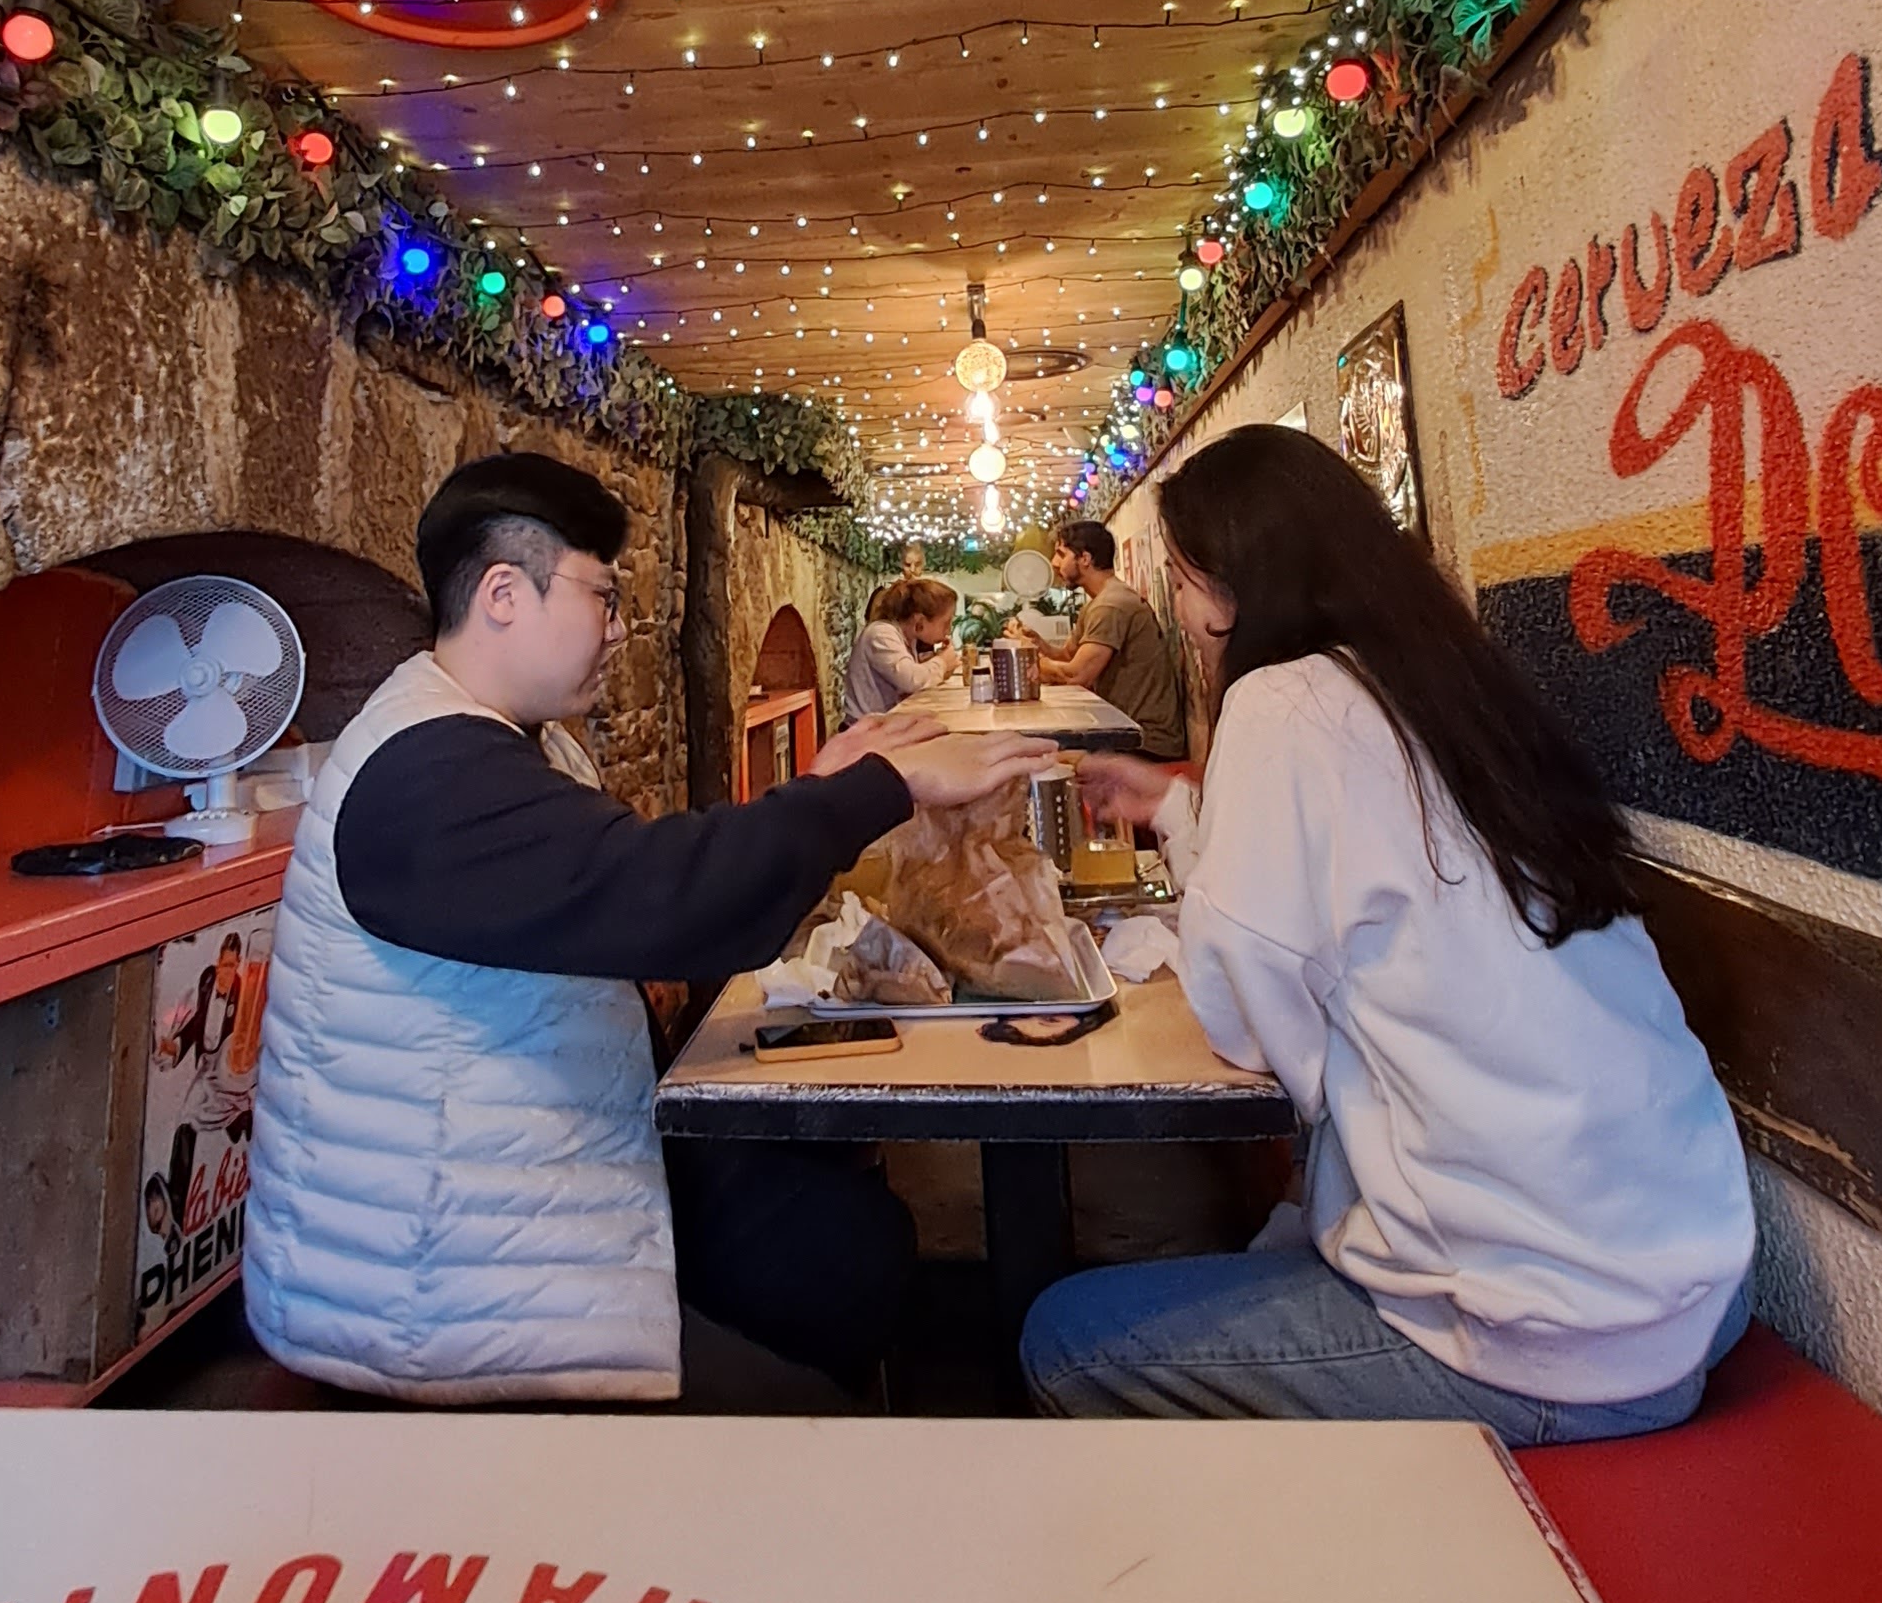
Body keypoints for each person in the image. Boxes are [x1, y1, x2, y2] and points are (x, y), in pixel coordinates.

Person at [246, 451, 1047, 1410]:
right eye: (603, 596)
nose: (620, 627)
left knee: (843, 1245)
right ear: (504, 594)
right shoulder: (424, 775)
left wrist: (826, 791)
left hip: (524, 1185)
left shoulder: (498, 740)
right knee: (806, 1403)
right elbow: (665, 895)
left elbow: (638, 877)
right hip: (438, 1280)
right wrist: (871, 791)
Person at [1022, 425, 1755, 1443]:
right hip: (1691, 1282)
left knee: (1064, 1338)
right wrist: (1183, 809)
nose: (1182, 612)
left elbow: (1250, 1024)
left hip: (1549, 1333)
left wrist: (1197, 853)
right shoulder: (1448, 684)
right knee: (1263, 1239)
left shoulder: (1280, 702)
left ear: (1233, 588)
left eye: (1184, 581)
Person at [1011, 518, 1186, 757]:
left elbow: (1076, 675)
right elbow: (1068, 657)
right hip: (1122, 732)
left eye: (1061, 554)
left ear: (1085, 558)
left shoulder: (1110, 606)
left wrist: (1031, 662)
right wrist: (1037, 644)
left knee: (1039, 760)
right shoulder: (1098, 603)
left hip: (1146, 742)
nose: (1053, 563)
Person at [843, 576, 961, 722]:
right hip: (864, 730)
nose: (948, 630)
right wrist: (942, 662)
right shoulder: (880, 634)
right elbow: (912, 681)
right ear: (920, 622)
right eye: (946, 623)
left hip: (884, 725)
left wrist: (934, 663)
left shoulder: (907, 638)